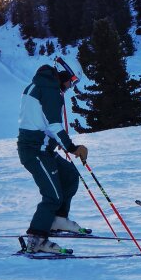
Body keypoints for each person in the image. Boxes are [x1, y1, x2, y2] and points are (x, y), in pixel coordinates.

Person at [17, 58, 89, 254]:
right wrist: (72, 148)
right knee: (53, 195)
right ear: (65, 74)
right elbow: (54, 126)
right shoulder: (50, 90)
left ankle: (56, 220)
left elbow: (44, 123)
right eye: (73, 81)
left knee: (69, 176)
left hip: (43, 149)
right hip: (34, 151)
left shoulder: (42, 85)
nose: (71, 86)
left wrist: (60, 143)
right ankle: (36, 239)